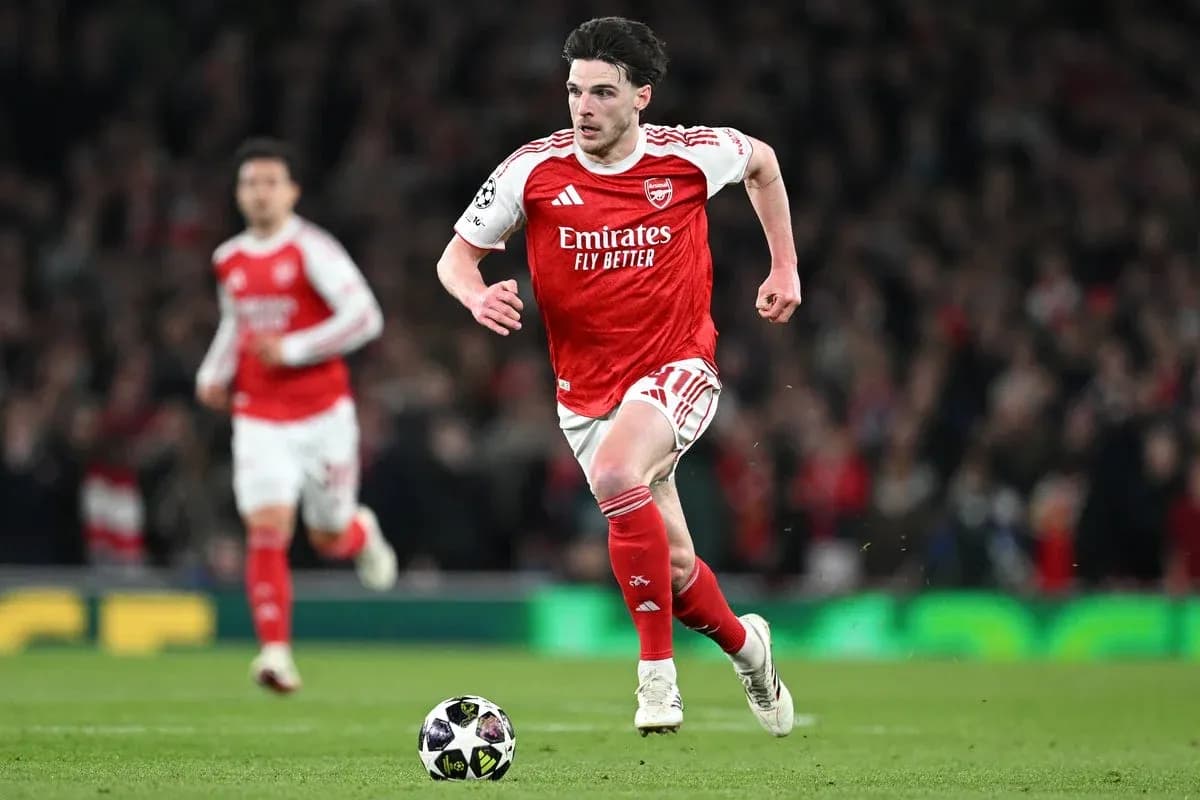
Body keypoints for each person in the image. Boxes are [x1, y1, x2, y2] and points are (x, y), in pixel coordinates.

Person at [437, 17, 800, 736]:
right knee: (669, 566)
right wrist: (476, 295)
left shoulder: (692, 154)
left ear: (642, 97)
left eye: (603, 92)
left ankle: (657, 680)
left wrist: (784, 264)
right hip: (585, 393)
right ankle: (748, 647)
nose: (584, 107)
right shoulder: (531, 171)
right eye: (574, 91)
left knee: (613, 475)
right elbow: (455, 259)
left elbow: (764, 163)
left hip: (678, 368)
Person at [196, 138, 397, 694]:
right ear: (239, 193)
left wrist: (292, 349)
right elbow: (236, 325)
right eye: (249, 183)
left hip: (322, 415)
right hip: (258, 416)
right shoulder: (228, 259)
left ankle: (362, 532)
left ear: (292, 192)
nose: (259, 193)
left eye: (270, 183)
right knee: (267, 528)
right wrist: (212, 373)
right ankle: (276, 654)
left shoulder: (313, 249)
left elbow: (365, 317)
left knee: (328, 536)